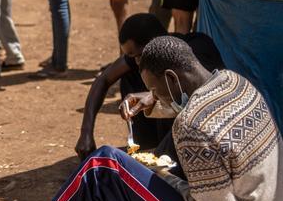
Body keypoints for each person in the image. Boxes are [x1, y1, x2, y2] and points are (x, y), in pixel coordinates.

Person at [0, 35, 283, 201]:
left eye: (157, 89)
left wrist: (168, 182)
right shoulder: (235, 83)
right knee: (127, 168)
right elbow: (201, 113)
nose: (155, 96)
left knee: (103, 163)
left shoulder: (193, 125)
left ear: (173, 79)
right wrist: (154, 100)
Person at [74, 13, 224, 170]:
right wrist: (86, 133)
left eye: (138, 56)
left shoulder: (197, 49)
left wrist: (154, 96)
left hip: (203, 136)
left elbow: (204, 96)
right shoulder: (142, 54)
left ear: (153, 44)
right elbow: (103, 79)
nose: (137, 62)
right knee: (129, 75)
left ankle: (169, 156)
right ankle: (148, 148)